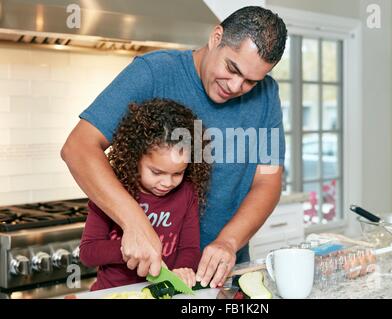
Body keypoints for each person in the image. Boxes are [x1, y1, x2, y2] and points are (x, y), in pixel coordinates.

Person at [61, 6, 287, 289]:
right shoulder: (155, 72)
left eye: (251, 81)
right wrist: (134, 222)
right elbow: (78, 147)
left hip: (221, 276)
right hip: (141, 281)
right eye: (232, 68)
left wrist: (228, 241)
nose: (236, 86)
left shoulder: (267, 95)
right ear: (216, 37)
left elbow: (268, 180)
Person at [79, 99, 211, 290]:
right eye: (156, 172)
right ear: (134, 158)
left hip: (160, 292)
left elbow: (189, 249)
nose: (167, 183)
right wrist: (127, 249)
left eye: (178, 173)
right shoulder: (112, 191)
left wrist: (183, 268)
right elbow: (88, 253)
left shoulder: (186, 193)